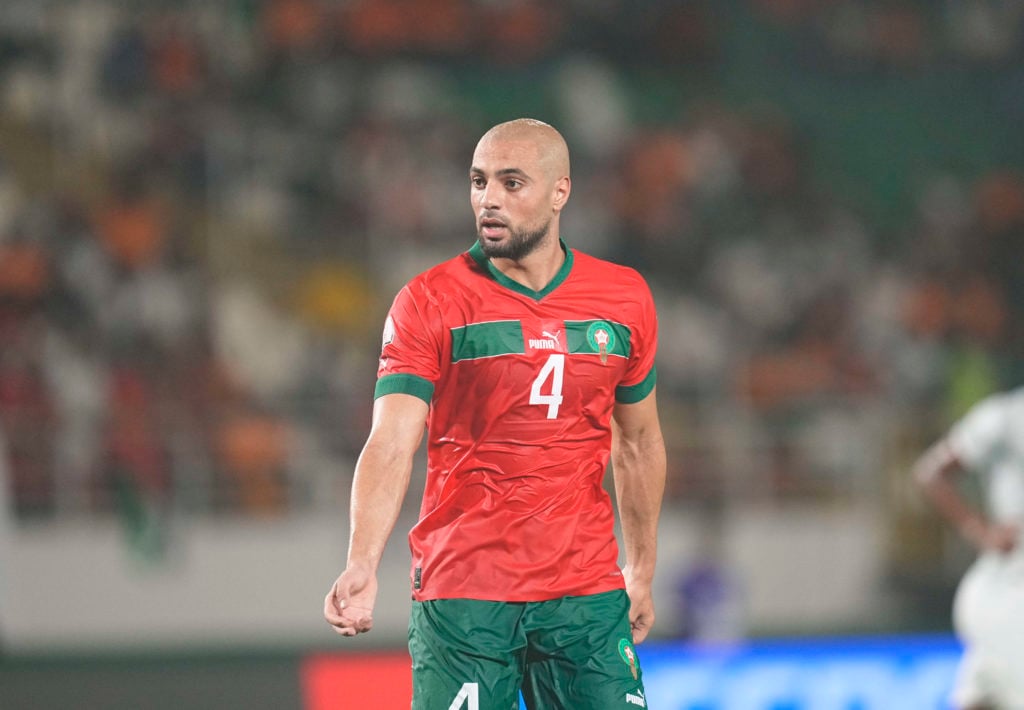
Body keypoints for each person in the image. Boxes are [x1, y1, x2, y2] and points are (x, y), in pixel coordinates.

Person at [324, 118, 666, 709]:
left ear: (560, 191)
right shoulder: (429, 300)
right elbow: (390, 441)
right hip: (465, 595)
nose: (489, 200)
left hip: (584, 592)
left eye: (512, 183)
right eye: (479, 182)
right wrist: (362, 561)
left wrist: (640, 569)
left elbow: (637, 443)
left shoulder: (624, 297)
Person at [913, 386, 1024, 710]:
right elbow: (931, 471)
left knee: (982, 698)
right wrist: (980, 530)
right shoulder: (1006, 414)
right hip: (1008, 587)